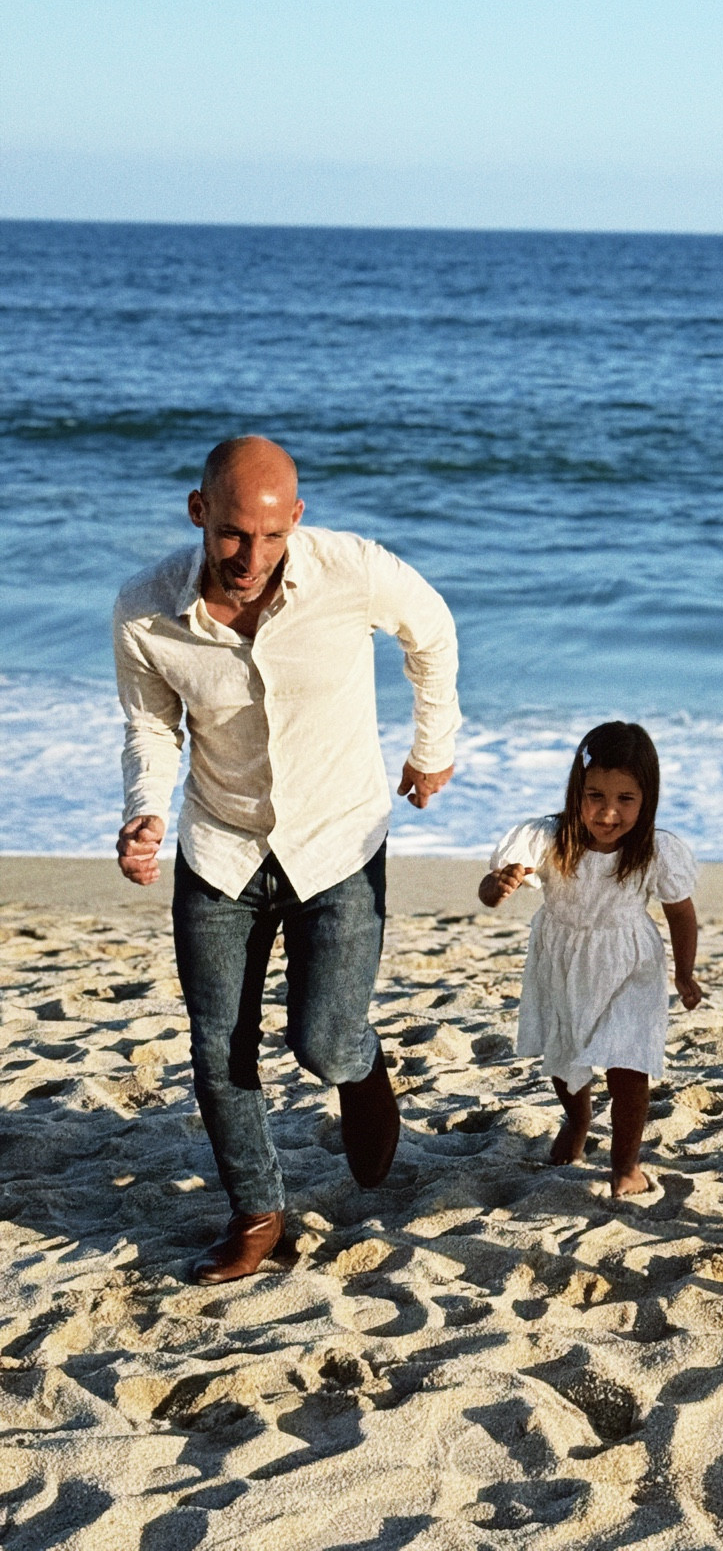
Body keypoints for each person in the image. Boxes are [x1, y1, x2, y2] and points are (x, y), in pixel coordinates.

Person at [113, 435, 460, 1284]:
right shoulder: (144, 611)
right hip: (221, 846)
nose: (251, 557)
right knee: (219, 1044)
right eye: (233, 534)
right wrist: (146, 813)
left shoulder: (352, 570)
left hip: (338, 841)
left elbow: (433, 630)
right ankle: (257, 1213)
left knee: (325, 1043)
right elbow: (152, 727)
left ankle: (362, 1066)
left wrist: (433, 745)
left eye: (271, 537)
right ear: (200, 512)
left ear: (296, 520)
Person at [480, 720, 701, 1196]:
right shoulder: (548, 838)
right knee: (565, 1055)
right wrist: (496, 889)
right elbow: (491, 885)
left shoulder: (654, 851)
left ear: (647, 800)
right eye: (595, 796)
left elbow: (681, 914)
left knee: (629, 1067)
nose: (607, 813)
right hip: (562, 961)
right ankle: (578, 1119)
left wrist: (685, 972)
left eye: (626, 799)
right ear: (576, 792)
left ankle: (626, 1163)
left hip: (630, 966)